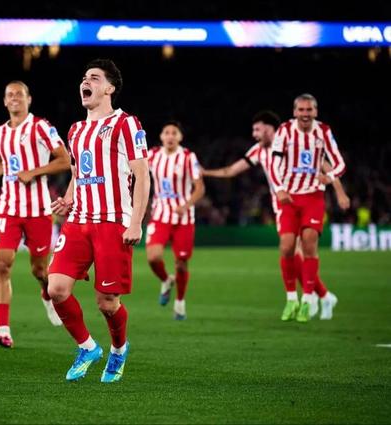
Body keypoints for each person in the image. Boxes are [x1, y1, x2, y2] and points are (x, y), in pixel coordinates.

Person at [48, 59, 150, 383]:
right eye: (83, 77)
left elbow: (142, 175)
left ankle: (119, 349)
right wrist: (69, 197)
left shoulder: (127, 124)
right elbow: (78, 173)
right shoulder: (75, 130)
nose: (85, 82)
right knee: (56, 289)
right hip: (79, 219)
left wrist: (136, 222)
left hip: (113, 222)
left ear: (109, 88)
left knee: (107, 303)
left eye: (93, 77)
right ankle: (88, 348)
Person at [203, 110, 349, 321]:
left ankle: (316, 297)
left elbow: (325, 165)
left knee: (299, 252)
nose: (254, 134)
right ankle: (322, 296)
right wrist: (205, 172)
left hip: (306, 200)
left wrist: (340, 192)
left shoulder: (293, 142)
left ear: (270, 128)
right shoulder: (258, 150)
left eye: (257, 129)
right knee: (292, 253)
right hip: (283, 206)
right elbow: (231, 171)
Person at [0, 81, 71, 348]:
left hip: (39, 210)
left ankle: (46, 295)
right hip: (8, 208)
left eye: (19, 94)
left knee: (40, 270)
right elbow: (3, 159)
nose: (15, 97)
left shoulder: (41, 127)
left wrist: (34, 172)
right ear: (5, 101)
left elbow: (65, 160)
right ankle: (3, 329)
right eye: (10, 94)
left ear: (29, 99)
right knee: (2, 265)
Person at [269, 94, 346, 322]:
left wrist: (330, 177)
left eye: (309, 110)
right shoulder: (284, 131)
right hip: (289, 197)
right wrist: (279, 189)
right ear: (294, 112)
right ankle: (291, 298)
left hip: (313, 196)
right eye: (301, 110)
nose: (305, 114)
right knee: (287, 247)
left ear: (315, 111)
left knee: (309, 243)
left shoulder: (324, 131)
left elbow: (339, 163)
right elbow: (274, 164)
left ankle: (308, 299)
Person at [146, 120, 204, 320]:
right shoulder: (152, 155)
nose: (170, 136)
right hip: (160, 215)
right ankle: (166, 280)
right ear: (161, 136)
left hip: (183, 218)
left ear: (180, 137)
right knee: (153, 257)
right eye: (167, 132)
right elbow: (137, 172)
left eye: (174, 133)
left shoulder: (188, 157)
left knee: (181, 263)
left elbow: (199, 187)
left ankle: (180, 303)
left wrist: (186, 205)